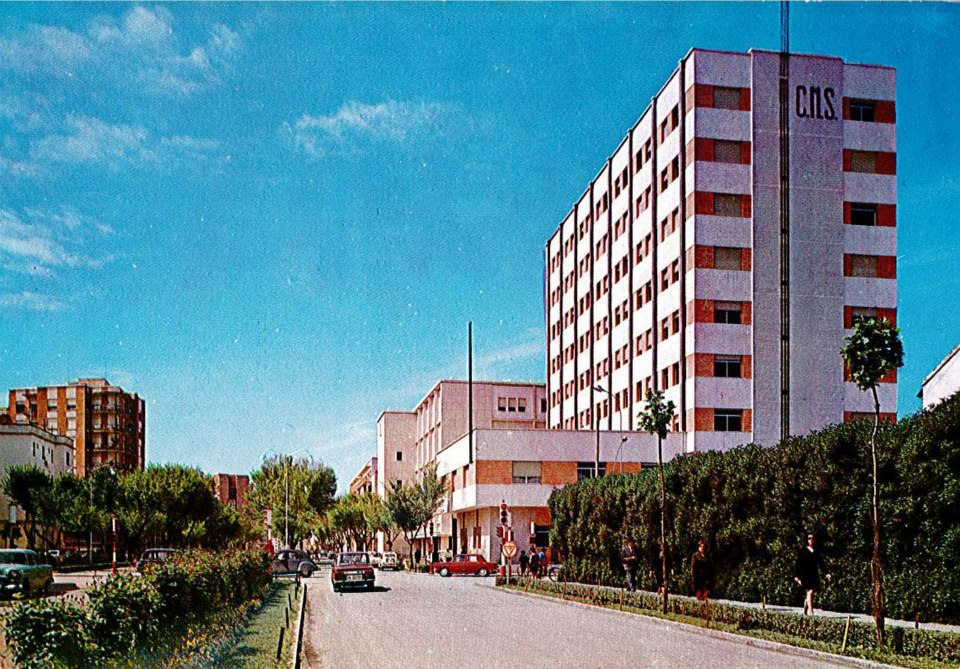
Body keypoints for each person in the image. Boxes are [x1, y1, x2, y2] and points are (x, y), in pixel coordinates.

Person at [794, 533, 831, 615]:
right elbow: (798, 564)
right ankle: (811, 613)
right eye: (809, 538)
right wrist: (796, 576)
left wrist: (827, 573)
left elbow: (821, 563)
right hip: (805, 575)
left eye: (812, 538)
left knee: (810, 594)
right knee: (809, 592)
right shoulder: (802, 551)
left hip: (814, 574)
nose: (811, 540)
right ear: (806, 540)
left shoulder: (816, 551)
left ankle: (804, 610)